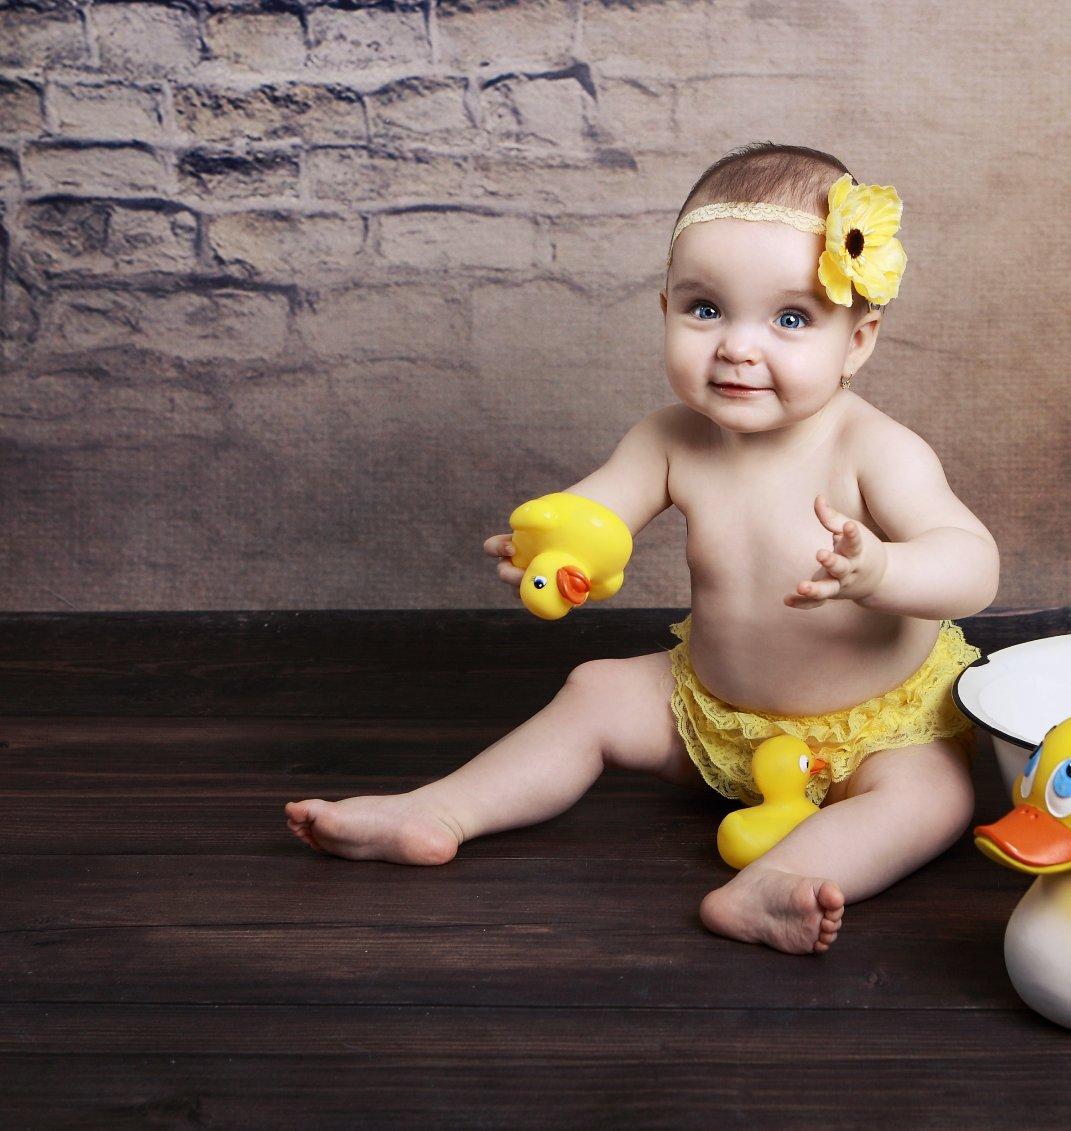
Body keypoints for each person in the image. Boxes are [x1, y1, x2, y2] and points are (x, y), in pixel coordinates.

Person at [286, 141, 1001, 956]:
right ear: (665, 309)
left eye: (790, 319)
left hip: (876, 732)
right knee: (595, 690)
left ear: (859, 340)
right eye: (706, 310)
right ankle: (439, 810)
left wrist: (882, 569)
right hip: (714, 717)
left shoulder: (875, 450)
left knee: (933, 797)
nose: (738, 347)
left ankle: (775, 882)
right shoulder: (671, 438)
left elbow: (972, 565)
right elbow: (598, 514)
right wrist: (555, 544)